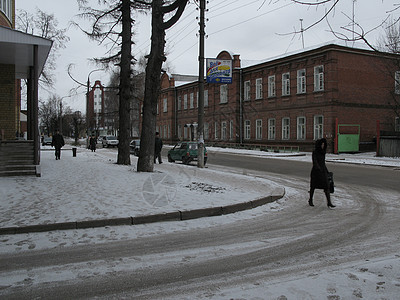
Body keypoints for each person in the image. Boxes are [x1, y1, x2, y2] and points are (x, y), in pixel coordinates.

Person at [309, 138, 336, 208]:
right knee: (313, 187)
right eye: (322, 144)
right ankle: (310, 200)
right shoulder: (315, 152)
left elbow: (323, 163)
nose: (323, 146)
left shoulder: (323, 153)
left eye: (324, 144)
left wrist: (326, 171)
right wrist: (318, 168)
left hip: (323, 171)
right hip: (316, 172)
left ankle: (329, 202)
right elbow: (315, 162)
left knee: (326, 187)